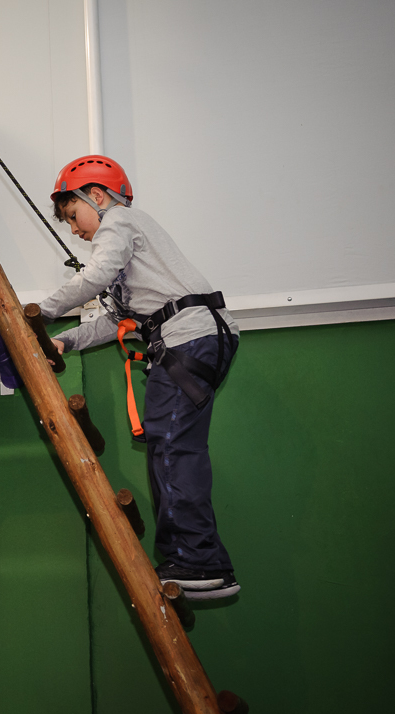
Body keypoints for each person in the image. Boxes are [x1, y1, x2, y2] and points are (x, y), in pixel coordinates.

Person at [38, 155, 242, 600]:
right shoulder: (132, 255)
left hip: (188, 339)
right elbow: (112, 321)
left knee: (171, 448)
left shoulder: (120, 222)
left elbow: (94, 277)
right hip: (195, 340)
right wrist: (64, 342)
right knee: (169, 447)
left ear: (97, 196)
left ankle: (197, 561)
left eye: (73, 216)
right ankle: (201, 564)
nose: (74, 229)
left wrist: (39, 312)